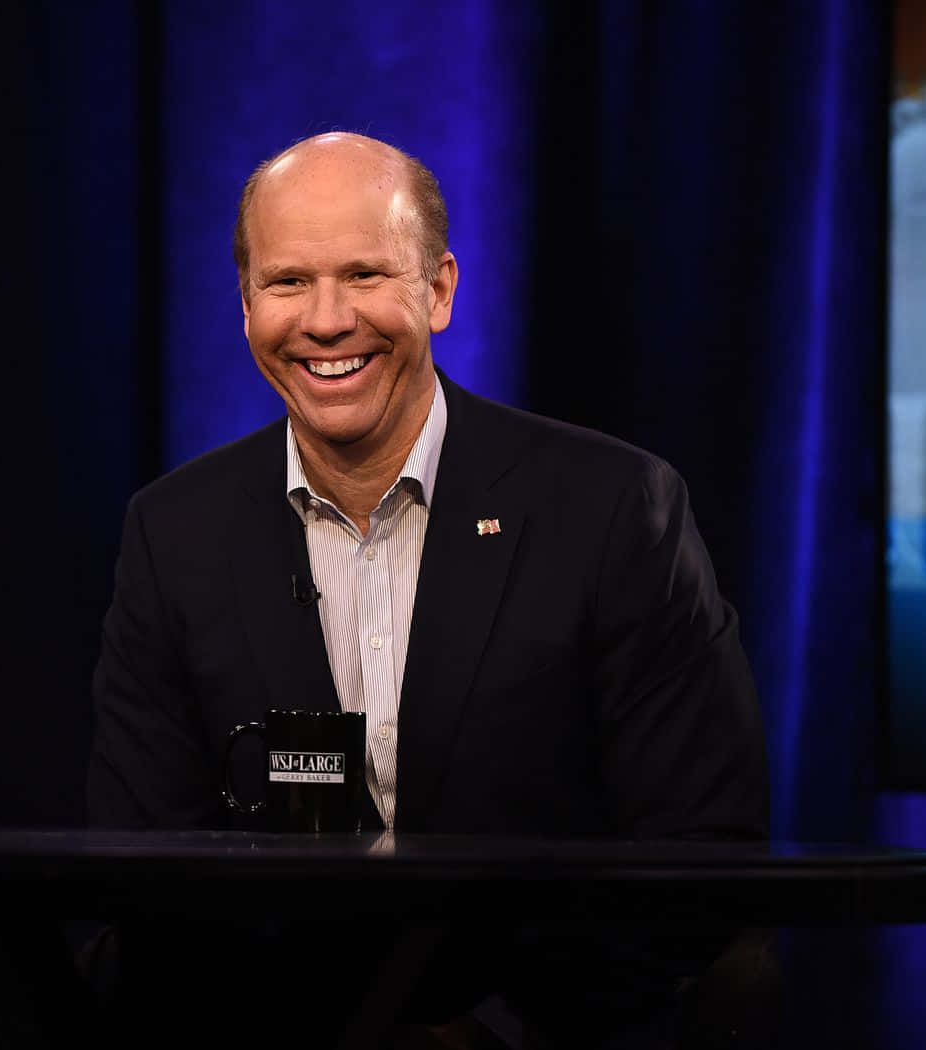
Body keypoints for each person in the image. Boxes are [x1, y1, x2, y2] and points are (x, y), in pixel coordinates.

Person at [86, 132, 770, 1048]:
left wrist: (487, 1038)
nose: (326, 321)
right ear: (245, 305)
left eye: (366, 274)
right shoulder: (174, 534)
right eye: (288, 282)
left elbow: (703, 854)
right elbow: (144, 869)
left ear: (440, 290)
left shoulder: (612, 510)